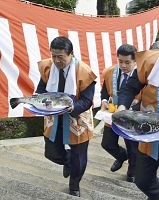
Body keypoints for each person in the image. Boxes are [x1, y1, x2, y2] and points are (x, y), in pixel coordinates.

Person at [35, 36, 97, 197]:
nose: (56, 60)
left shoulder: (84, 71)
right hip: (53, 118)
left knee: (79, 157)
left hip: (77, 119)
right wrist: (39, 101)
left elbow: (87, 100)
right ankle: (67, 161)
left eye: (60, 57)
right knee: (51, 153)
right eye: (53, 56)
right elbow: (41, 90)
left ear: (71, 54)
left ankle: (74, 185)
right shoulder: (47, 67)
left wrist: (71, 108)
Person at [118, 41, 159, 200]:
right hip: (150, 130)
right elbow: (130, 87)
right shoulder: (150, 61)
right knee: (142, 179)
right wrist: (122, 106)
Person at [101, 44, 139, 182]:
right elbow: (104, 91)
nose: (123, 65)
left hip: (132, 116)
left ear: (135, 61)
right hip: (113, 114)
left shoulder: (142, 75)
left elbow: (148, 97)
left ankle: (132, 173)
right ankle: (122, 156)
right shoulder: (110, 72)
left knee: (133, 147)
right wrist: (104, 100)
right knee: (107, 144)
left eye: (127, 62)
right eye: (120, 61)